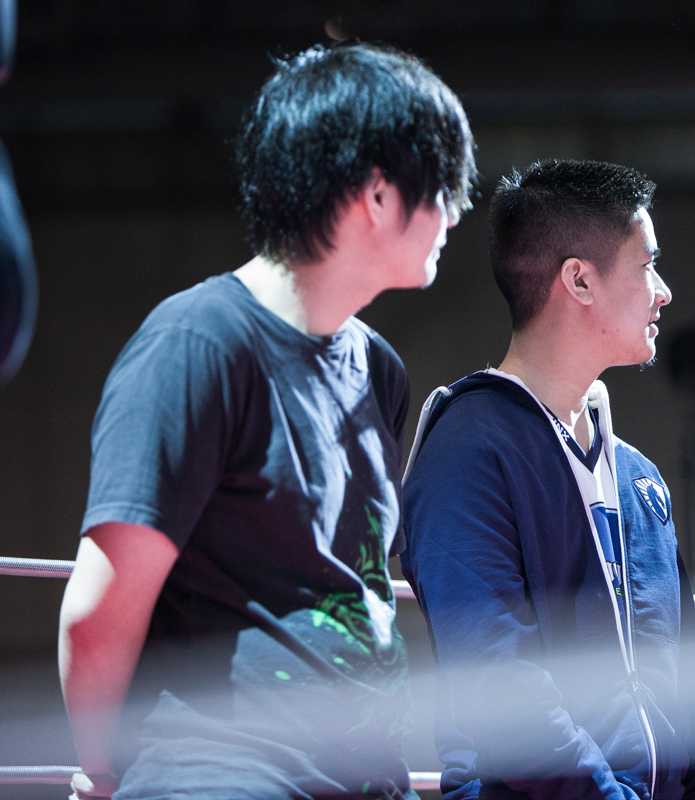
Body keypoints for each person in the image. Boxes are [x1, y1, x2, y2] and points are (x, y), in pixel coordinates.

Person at [57, 43, 475, 800]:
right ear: (377, 194)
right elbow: (97, 614)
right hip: (221, 774)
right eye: (442, 185)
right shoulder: (196, 344)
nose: (456, 210)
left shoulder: (379, 370)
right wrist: (109, 771)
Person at [401, 159, 695, 800]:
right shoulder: (467, 449)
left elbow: (692, 698)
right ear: (579, 280)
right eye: (647, 265)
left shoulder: (637, 476)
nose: (664, 291)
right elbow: (502, 694)